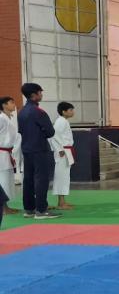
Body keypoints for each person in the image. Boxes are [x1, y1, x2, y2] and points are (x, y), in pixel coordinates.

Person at [17, 83, 60, 220]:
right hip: (39, 149)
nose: (41, 94)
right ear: (33, 95)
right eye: (40, 92)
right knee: (41, 179)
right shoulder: (38, 112)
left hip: (27, 148)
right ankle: (41, 210)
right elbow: (50, 132)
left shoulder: (21, 111)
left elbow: (20, 130)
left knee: (28, 179)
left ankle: (29, 209)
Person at [51, 102, 75, 210]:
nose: (72, 112)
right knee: (61, 176)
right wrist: (59, 149)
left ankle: (62, 201)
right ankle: (60, 203)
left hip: (66, 150)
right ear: (64, 111)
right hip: (63, 151)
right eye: (70, 110)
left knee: (65, 176)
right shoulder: (60, 121)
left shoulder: (64, 121)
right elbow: (53, 136)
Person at [0, 97, 19, 215]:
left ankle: (6, 206)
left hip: (7, 152)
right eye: (11, 102)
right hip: (1, 153)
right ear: (4, 105)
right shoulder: (1, 118)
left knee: (7, 180)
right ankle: (3, 208)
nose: (14, 104)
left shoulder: (9, 118)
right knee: (3, 180)